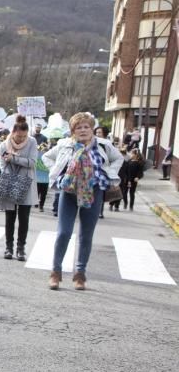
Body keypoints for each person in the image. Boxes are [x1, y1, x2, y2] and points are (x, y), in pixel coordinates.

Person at [42, 112, 123, 291]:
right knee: (64, 232)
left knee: (86, 235)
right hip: (69, 191)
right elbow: (46, 157)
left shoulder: (103, 145)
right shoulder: (64, 145)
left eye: (86, 127)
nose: (83, 130)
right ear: (73, 131)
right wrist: (57, 173)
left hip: (94, 192)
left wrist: (110, 174)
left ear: (92, 129)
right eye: (79, 127)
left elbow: (119, 158)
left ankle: (80, 275)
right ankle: (55, 272)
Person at [0, 115, 38, 261]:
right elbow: (2, 164)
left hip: (26, 182)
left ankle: (21, 248)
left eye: (24, 136)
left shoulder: (32, 142)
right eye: (19, 136)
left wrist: (14, 159)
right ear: (13, 133)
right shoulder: (4, 145)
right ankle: (9, 248)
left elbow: (32, 162)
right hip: (9, 181)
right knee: (9, 217)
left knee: (24, 218)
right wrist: (8, 175)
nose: (21, 139)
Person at [35, 142, 51, 212]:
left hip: (43, 179)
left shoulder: (37, 156)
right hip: (41, 179)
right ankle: (40, 205)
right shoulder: (48, 158)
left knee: (40, 193)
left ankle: (40, 205)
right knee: (41, 193)